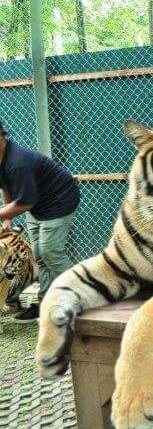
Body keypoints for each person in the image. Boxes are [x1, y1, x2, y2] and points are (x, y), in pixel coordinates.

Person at [0, 121, 80, 323]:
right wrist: (7, 217)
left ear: (1, 136)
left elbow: (25, 203)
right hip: (36, 204)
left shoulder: (18, 162)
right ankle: (44, 304)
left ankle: (79, 299)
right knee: (39, 255)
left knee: (50, 253)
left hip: (59, 201)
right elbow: (5, 186)